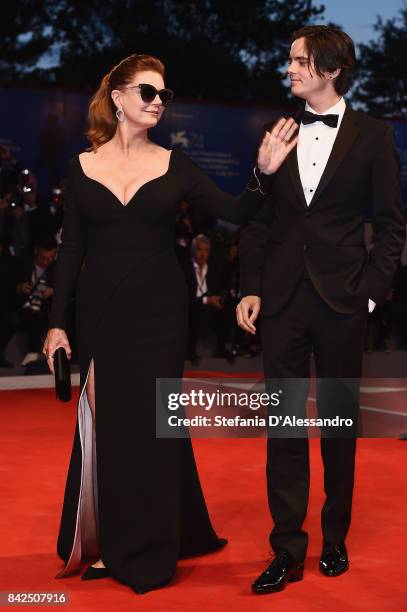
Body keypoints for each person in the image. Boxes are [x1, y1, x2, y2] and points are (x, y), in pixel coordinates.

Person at [42, 53, 298, 594]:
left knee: (152, 427)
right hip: (99, 315)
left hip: (159, 314)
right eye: (147, 92)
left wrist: (264, 173)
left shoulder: (175, 164)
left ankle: (148, 550)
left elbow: (232, 211)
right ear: (117, 98)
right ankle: (114, 537)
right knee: (111, 429)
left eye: (164, 95)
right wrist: (57, 324)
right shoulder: (82, 166)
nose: (158, 102)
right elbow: (70, 249)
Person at [237, 26, 405, 594]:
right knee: (283, 428)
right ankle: (286, 549)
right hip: (282, 301)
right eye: (289, 59)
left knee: (336, 427)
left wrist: (372, 292)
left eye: (299, 61)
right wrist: (250, 285)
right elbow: (257, 221)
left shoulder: (375, 137)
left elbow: (389, 226)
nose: (290, 68)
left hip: (342, 302)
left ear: (331, 70)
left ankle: (335, 538)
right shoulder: (276, 131)